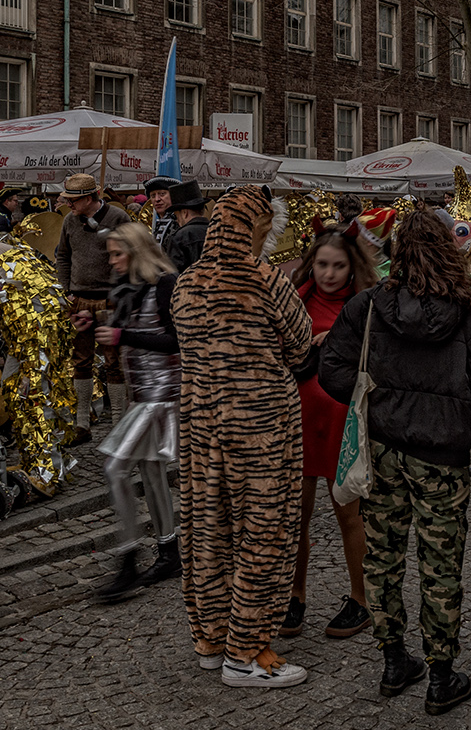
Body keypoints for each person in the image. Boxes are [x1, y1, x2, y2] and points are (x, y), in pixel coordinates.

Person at [318, 210, 471, 715]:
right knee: (441, 562)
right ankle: (441, 674)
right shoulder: (468, 315)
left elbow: (332, 369)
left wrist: (376, 403)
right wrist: (454, 397)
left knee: (383, 555)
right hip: (442, 455)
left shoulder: (368, 307)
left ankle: (393, 659)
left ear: (396, 253)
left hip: (383, 448)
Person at [170, 186, 314, 688]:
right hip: (261, 425)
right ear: (253, 227)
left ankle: (210, 639)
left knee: (208, 530)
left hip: (201, 424)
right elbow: (299, 348)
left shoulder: (185, 284)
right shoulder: (264, 280)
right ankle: (246, 652)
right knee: (264, 533)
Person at [283, 229, 377, 641]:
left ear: (351, 266)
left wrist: (338, 341)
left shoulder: (367, 305)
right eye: (322, 264)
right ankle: (294, 595)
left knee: (348, 514)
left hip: (343, 423)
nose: (329, 273)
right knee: (294, 515)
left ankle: (362, 598)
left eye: (338, 265)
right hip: (297, 420)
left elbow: (379, 356)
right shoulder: (292, 299)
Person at [89, 222, 185, 601]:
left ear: (137, 251)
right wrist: (98, 323)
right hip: (143, 392)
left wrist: (121, 336)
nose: (112, 261)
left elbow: (176, 340)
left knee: (115, 465)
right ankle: (169, 551)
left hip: (162, 394)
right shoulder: (130, 287)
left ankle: (128, 560)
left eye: (117, 253)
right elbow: (129, 330)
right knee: (151, 471)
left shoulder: (164, 284)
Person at [55, 173, 130, 444]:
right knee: (81, 361)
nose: (69, 205)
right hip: (79, 299)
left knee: (114, 361)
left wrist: (122, 293)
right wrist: (66, 290)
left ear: (89, 198)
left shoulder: (119, 218)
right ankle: (82, 422)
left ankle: (120, 424)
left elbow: (129, 256)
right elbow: (62, 255)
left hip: (110, 298)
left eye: (73, 201)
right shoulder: (69, 221)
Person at [160, 180, 210, 272]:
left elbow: (173, 273)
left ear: (184, 213)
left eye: (176, 215)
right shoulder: (217, 230)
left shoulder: (179, 237)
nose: (176, 220)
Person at [143, 175, 181, 243]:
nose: (157, 199)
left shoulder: (180, 222)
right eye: (153, 196)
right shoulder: (158, 223)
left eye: (162, 194)